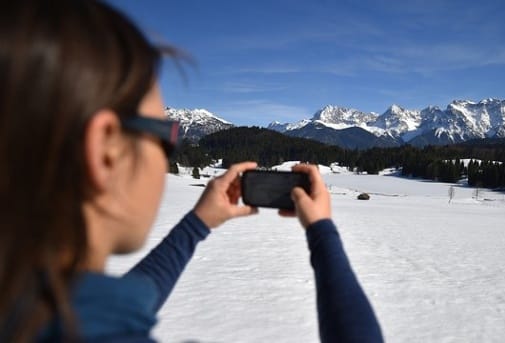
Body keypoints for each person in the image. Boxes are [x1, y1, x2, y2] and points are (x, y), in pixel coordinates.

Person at [0, 1, 383, 342]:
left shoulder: (24, 309)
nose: (170, 147)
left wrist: (198, 222)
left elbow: (111, 309)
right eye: (166, 134)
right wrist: (322, 233)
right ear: (106, 153)